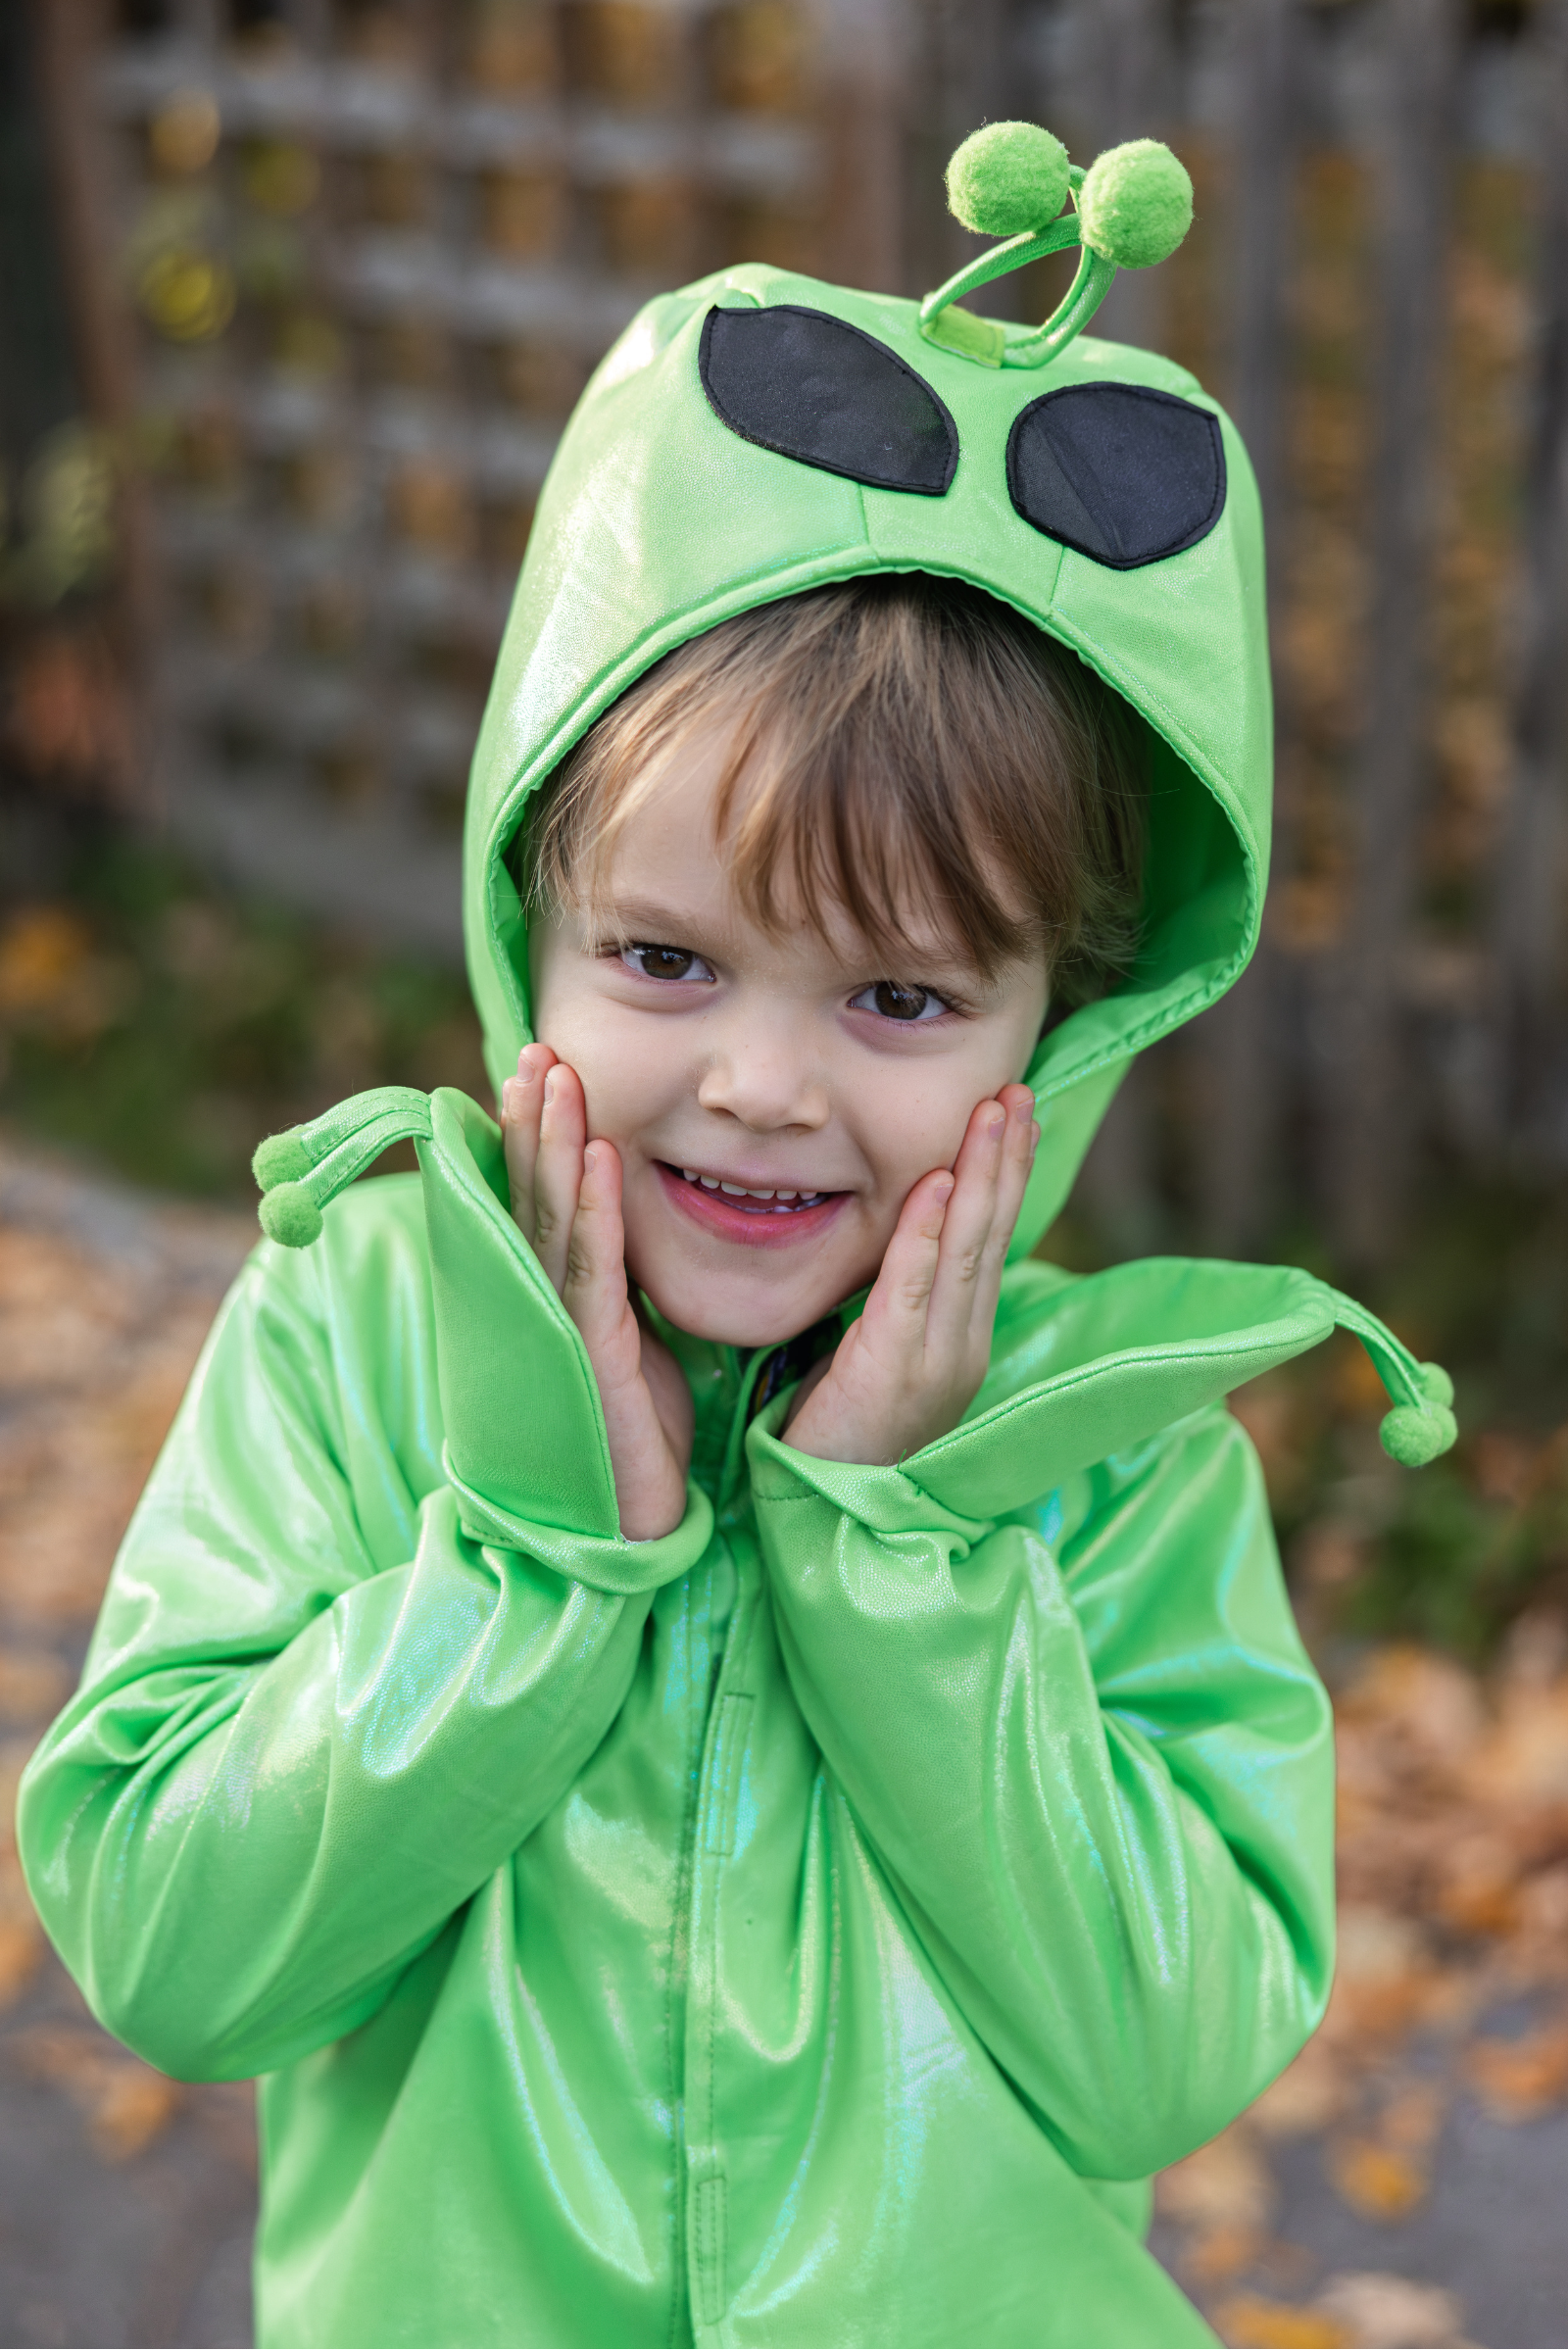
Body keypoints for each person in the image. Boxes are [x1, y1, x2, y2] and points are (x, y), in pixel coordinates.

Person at [19, 123, 1457, 2350]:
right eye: (665, 960)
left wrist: (907, 1547)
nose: (765, 1087)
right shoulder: (365, 1333)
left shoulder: (1106, 1452)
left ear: (1057, 1029)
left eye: (893, 998)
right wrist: (527, 1556)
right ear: (532, 921)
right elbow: (180, 1963)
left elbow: (1161, 2054)